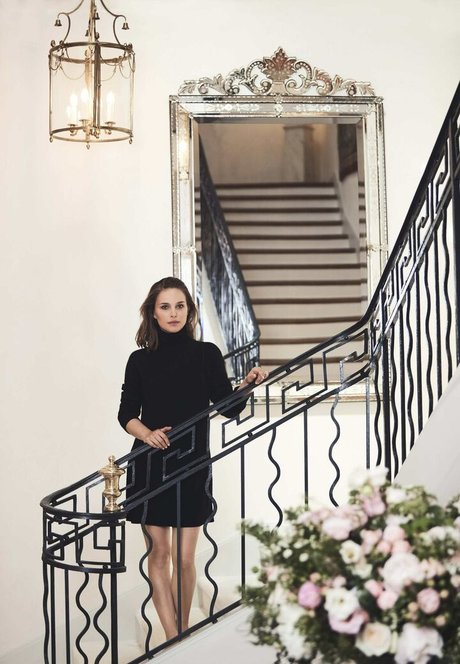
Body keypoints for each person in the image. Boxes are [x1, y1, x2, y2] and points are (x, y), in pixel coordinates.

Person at [117, 276, 266, 641]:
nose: (173, 313)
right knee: (159, 555)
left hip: (192, 463)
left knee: (184, 559)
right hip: (150, 464)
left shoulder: (206, 354)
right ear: (153, 313)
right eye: (165, 306)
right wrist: (146, 434)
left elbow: (228, 408)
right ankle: (174, 639)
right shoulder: (139, 360)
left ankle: (183, 633)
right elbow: (126, 414)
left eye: (180, 306)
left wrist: (247, 385)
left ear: (189, 311)